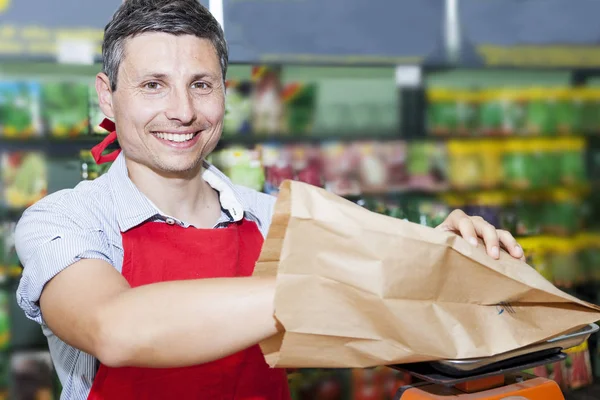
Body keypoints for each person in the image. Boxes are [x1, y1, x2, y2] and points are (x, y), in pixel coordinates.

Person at [14, 0, 526, 399]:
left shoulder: (273, 217)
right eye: (153, 85)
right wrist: (332, 278)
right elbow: (115, 329)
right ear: (107, 96)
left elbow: (391, 297)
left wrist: (439, 252)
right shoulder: (65, 221)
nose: (183, 111)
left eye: (201, 85)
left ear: (224, 92)